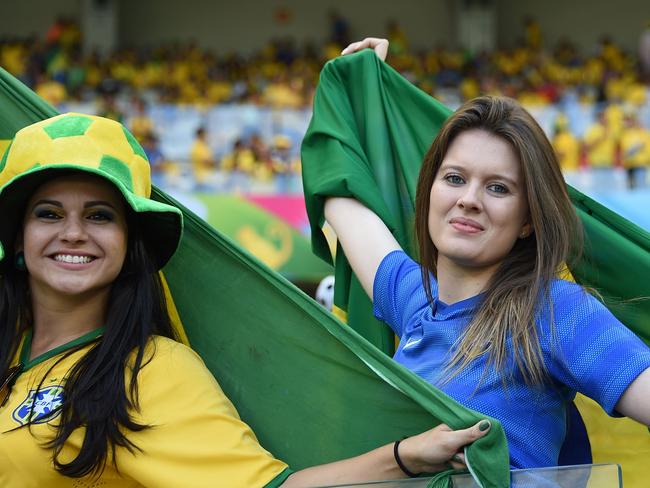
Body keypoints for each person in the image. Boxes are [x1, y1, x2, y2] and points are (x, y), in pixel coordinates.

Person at [0, 113, 491, 487]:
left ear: (130, 244)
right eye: (48, 213)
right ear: (18, 238)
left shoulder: (149, 371)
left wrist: (400, 457)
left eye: (100, 216)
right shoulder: (12, 352)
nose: (73, 233)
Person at [331, 38, 650, 469]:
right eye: (455, 178)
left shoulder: (553, 310)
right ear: (430, 192)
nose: (469, 199)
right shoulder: (414, 300)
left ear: (527, 221)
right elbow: (341, 196)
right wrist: (354, 90)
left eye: (498, 188)